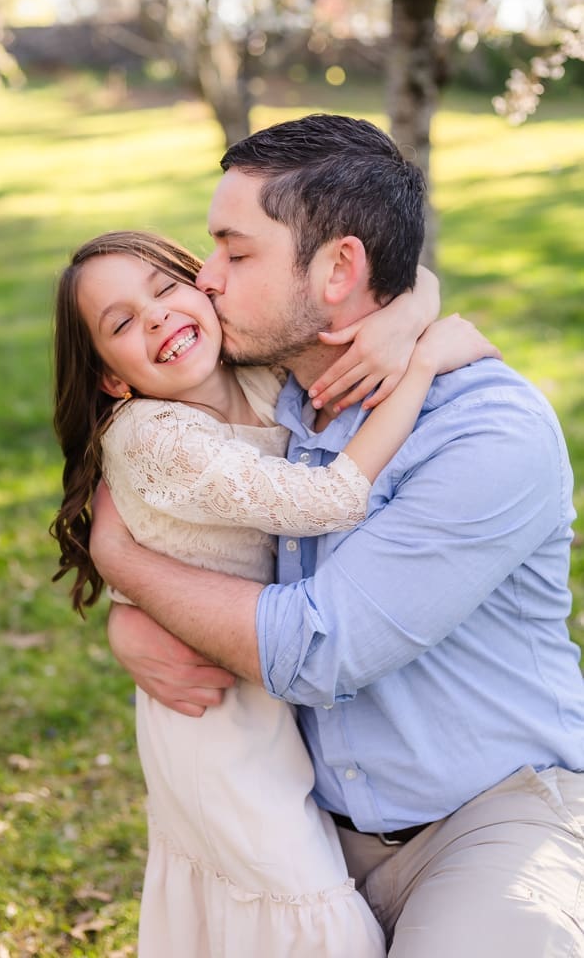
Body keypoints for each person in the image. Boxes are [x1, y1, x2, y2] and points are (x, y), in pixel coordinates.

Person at [89, 114, 584, 958]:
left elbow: (320, 648)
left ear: (340, 268)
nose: (202, 282)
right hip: (310, 829)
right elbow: (181, 506)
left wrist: (121, 563)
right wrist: (130, 616)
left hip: (492, 821)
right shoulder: (259, 383)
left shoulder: (487, 432)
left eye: (235, 254)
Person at [51, 227, 497, 957]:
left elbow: (389, 278)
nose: (157, 317)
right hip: (211, 713)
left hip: (275, 673)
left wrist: (414, 307)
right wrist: (419, 366)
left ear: (205, 286)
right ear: (111, 379)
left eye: (165, 288)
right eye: (122, 323)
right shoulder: (151, 436)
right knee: (301, 908)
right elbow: (322, 500)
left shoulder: (257, 376)